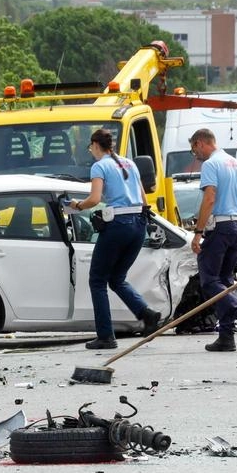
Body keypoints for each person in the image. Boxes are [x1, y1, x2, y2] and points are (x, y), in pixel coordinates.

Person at [67, 128, 161, 350]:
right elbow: (143, 197)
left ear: (95, 145)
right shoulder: (130, 163)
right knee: (117, 277)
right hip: (138, 224)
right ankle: (146, 314)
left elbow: (95, 198)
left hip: (118, 225)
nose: (91, 152)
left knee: (97, 280)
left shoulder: (100, 166)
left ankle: (106, 336)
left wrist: (76, 206)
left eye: (91, 148)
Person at [189, 128, 237, 352]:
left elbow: (210, 198)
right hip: (236, 227)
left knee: (210, 280)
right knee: (225, 280)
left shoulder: (211, 164)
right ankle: (226, 336)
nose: (195, 155)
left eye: (194, 149)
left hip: (220, 227)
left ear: (201, 143)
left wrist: (198, 231)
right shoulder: (235, 163)